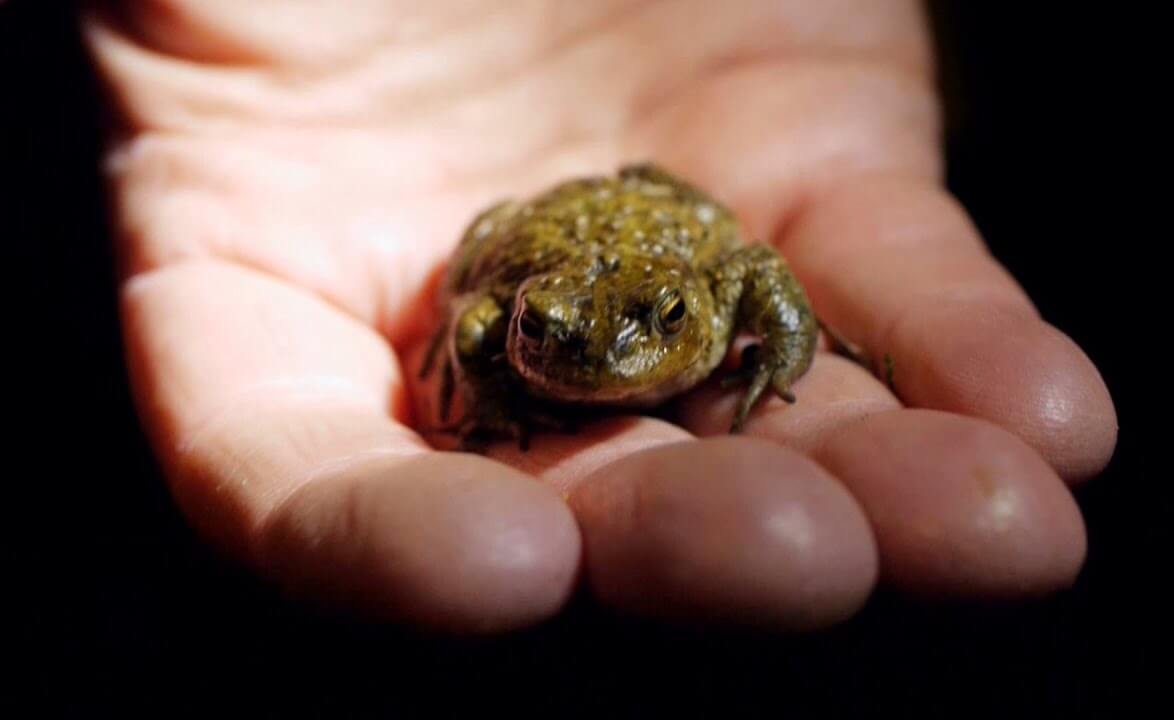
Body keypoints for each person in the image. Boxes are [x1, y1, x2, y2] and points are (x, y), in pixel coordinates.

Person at [84, 0, 1116, 632]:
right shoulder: (518, 324)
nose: (610, 363)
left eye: (643, 336)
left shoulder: (699, 298)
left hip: (655, 226)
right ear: (537, 330)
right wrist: (485, 377)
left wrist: (782, 351)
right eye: (566, 345)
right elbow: (481, 318)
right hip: (543, 235)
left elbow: (752, 261)